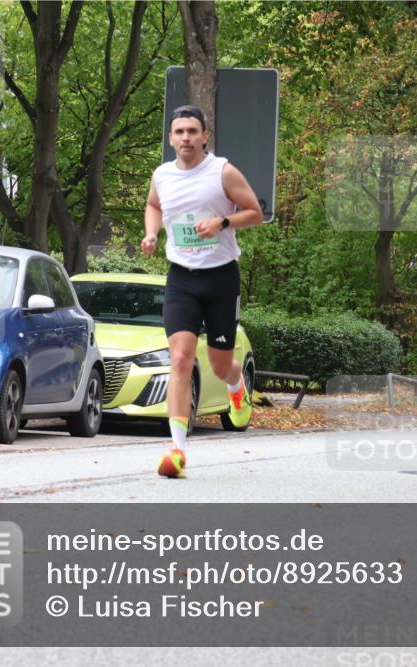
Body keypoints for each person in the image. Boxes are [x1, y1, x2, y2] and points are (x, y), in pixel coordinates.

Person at [142, 105, 263, 477]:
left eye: (192, 131)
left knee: (220, 365)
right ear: (171, 138)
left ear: (205, 136)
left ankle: (236, 386)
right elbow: (153, 204)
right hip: (182, 278)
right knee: (180, 358)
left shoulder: (223, 171)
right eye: (179, 132)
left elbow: (255, 212)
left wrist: (222, 222)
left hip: (220, 278)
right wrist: (151, 233)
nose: (186, 138)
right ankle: (177, 451)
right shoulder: (162, 175)